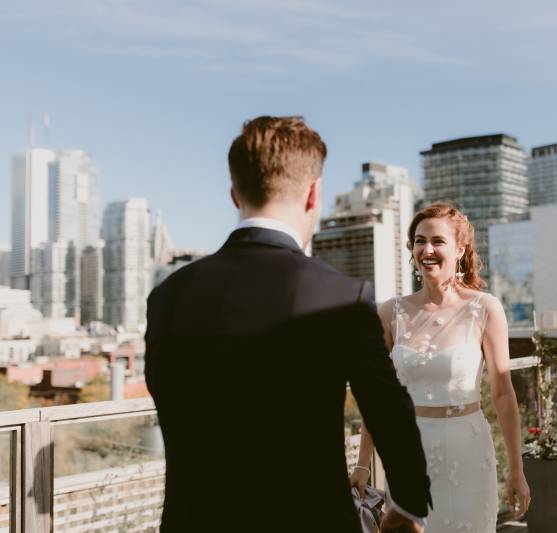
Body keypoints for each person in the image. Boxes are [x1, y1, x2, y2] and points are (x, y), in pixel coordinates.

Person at [145, 116, 431, 532]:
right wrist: (406, 507)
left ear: (233, 194)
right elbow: (389, 411)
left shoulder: (168, 295)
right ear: (313, 194)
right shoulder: (341, 297)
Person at [350, 203, 531, 532]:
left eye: (437, 241)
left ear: (460, 249)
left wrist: (516, 467)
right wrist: (363, 464)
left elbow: (503, 393)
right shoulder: (391, 313)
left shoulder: (485, 308)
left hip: (469, 454)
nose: (427, 250)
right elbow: (378, 398)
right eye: (420, 241)